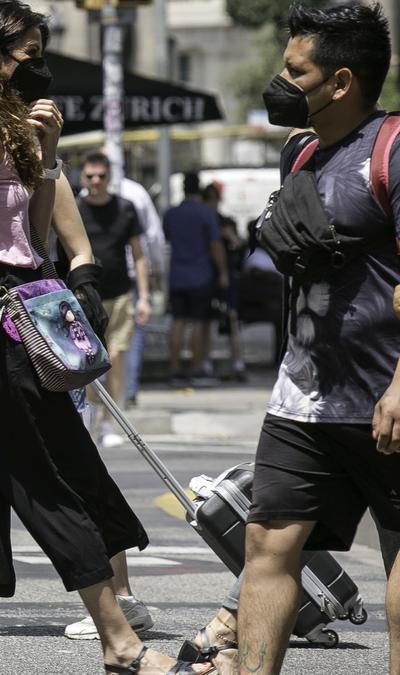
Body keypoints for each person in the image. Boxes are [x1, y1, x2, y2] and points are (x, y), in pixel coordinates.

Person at [0, 3, 197, 674]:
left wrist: (49, 156)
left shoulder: (0, 124)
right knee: (44, 471)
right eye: (21, 53)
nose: (34, 65)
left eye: (38, 51)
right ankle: (120, 640)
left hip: (6, 305)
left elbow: (32, 239)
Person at [223, 4, 400, 674]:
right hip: (304, 400)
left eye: (295, 71)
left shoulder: (394, 149)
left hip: (386, 398)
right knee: (267, 544)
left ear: (341, 82)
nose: (280, 81)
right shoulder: (297, 150)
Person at [76, 152, 152, 449]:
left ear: (109, 178)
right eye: (90, 176)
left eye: (101, 176)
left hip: (120, 293)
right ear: (82, 178)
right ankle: (91, 417)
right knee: (89, 359)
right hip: (85, 294)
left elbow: (139, 255)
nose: (96, 181)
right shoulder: (75, 208)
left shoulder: (126, 209)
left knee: (116, 356)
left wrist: (144, 296)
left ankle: (109, 421)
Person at [163, 173, 228, 387]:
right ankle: (196, 368)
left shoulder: (171, 214)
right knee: (199, 323)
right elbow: (215, 246)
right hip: (201, 274)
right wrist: (223, 272)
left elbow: (167, 239)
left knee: (178, 321)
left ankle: (173, 369)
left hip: (177, 275)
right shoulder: (206, 214)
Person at [202, 183, 247, 382]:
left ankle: (236, 363)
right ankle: (207, 362)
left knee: (230, 320)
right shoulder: (207, 221)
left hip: (222, 277)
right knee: (210, 322)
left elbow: (238, 245)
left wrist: (230, 236)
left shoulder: (223, 221)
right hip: (213, 276)